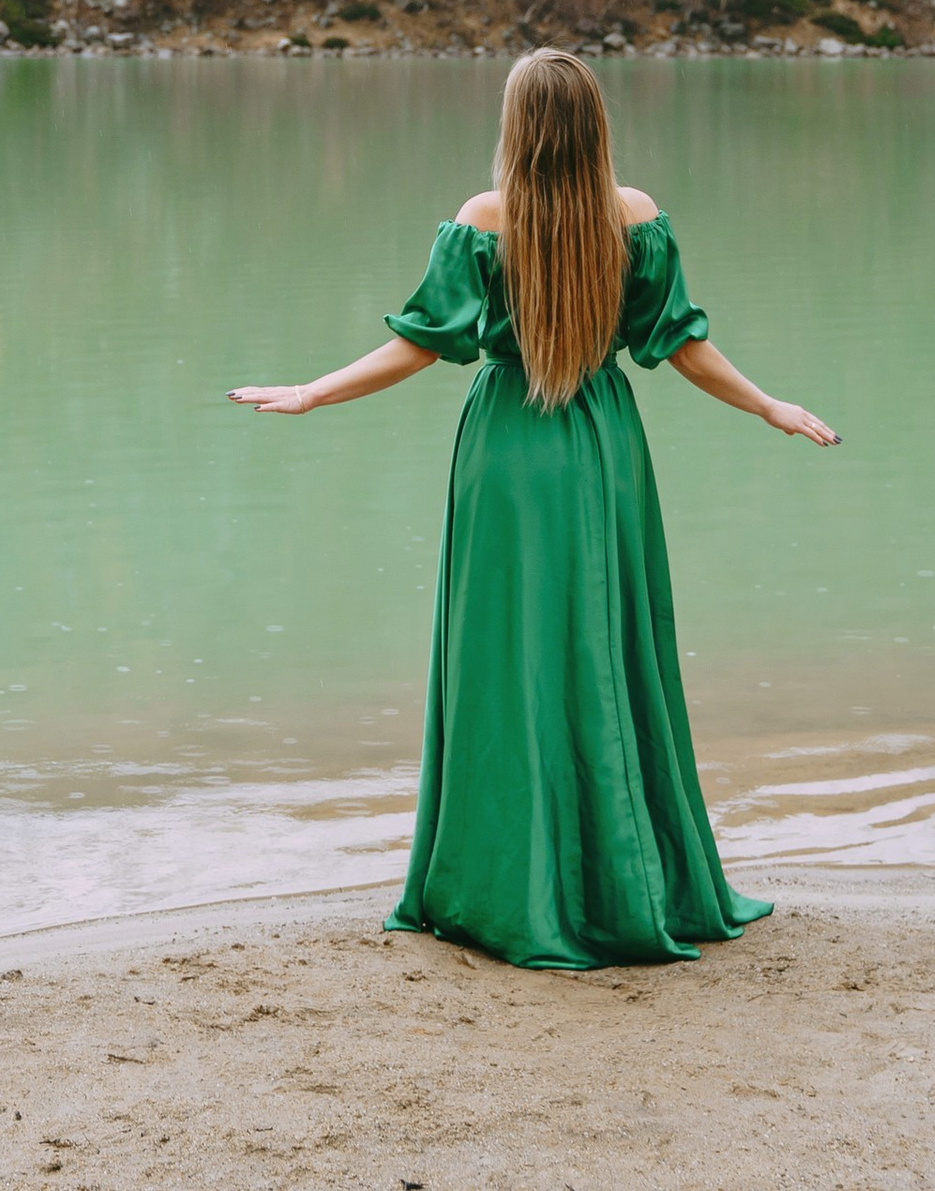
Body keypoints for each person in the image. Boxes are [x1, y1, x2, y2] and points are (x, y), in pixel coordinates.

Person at [229, 47, 839, 970]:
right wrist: (769, 406)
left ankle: (504, 886)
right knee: (604, 646)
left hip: (507, 454)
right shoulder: (635, 219)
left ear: (516, 128)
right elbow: (681, 347)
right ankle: (628, 878)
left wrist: (315, 391)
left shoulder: (483, 222)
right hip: (602, 449)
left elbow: (420, 345)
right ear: (595, 123)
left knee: (505, 663)